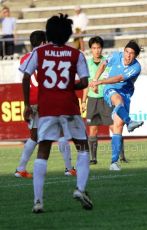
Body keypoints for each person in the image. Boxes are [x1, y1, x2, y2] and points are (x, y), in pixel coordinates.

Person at [20, 14, 93, 213]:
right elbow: (85, 82)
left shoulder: (39, 52)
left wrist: (27, 104)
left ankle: (38, 201)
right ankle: (80, 188)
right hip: (69, 107)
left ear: (49, 32)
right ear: (68, 34)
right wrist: (70, 85)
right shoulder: (76, 54)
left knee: (43, 150)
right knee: (83, 147)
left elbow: (26, 76)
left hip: (47, 108)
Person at [15, 30, 76, 178]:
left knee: (34, 136)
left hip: (32, 100)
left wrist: (27, 104)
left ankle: (20, 169)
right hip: (46, 99)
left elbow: (25, 79)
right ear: (43, 42)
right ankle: (69, 168)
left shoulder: (24, 58)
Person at [89, 40, 144, 171]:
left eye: (131, 53)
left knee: (118, 126)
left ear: (136, 56)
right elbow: (103, 65)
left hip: (126, 93)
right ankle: (129, 121)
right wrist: (96, 80)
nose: (128, 55)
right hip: (110, 89)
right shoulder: (115, 56)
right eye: (126, 52)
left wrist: (99, 82)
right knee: (118, 101)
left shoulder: (136, 67)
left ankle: (114, 162)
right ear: (123, 51)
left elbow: (119, 78)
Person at [82, 36, 128, 165]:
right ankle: (93, 158)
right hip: (92, 100)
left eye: (98, 48)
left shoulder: (108, 62)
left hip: (107, 98)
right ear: (91, 49)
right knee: (93, 129)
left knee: (115, 127)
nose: (96, 50)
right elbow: (86, 84)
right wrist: (84, 101)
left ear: (102, 48)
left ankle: (122, 156)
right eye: (94, 48)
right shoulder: (87, 64)